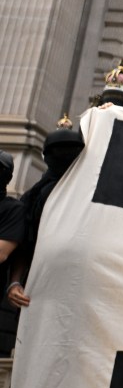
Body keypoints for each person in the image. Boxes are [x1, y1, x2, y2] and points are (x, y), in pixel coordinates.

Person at [6, 117, 85, 310]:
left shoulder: (88, 195)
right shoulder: (33, 198)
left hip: (76, 288)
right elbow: (24, 243)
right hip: (38, 288)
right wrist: (15, 283)